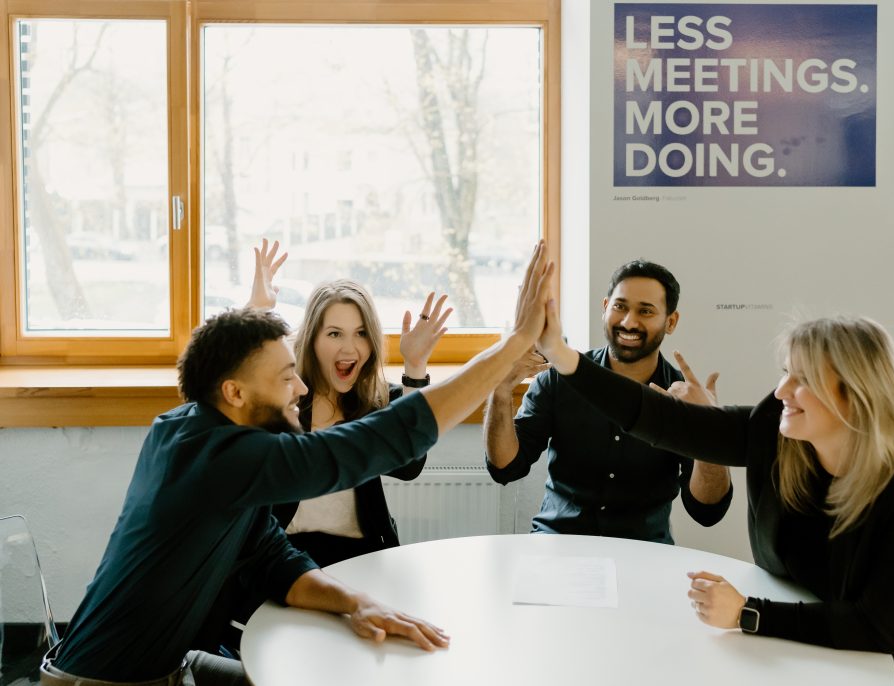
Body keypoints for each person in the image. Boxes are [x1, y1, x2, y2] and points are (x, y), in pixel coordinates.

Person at [41, 241, 554, 686]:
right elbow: (377, 441)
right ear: (235, 392)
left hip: (173, 666)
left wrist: (358, 604)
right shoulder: (223, 458)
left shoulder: (193, 430)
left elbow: (272, 558)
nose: (303, 387)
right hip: (104, 682)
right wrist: (508, 350)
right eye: (287, 376)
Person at [534, 313, 894, 685]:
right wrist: (564, 356)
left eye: (803, 379)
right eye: (785, 373)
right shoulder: (778, 432)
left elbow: (879, 627)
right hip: (814, 658)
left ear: (856, 395)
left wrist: (748, 613)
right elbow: (662, 420)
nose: (781, 391)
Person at [484, 260, 732, 542]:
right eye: (620, 307)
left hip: (645, 551)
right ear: (605, 308)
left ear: (670, 321)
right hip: (558, 542)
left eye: (646, 311)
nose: (629, 321)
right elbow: (505, 468)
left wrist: (708, 432)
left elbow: (707, 512)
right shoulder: (559, 380)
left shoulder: (682, 398)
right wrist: (500, 390)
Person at [247, 240, 451, 566]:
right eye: (334, 334)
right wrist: (257, 310)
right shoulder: (286, 398)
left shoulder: (379, 399)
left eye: (360, 333)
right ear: (311, 339)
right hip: (285, 555)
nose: (349, 349)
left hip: (361, 556)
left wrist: (415, 365)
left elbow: (410, 467)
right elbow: (236, 385)